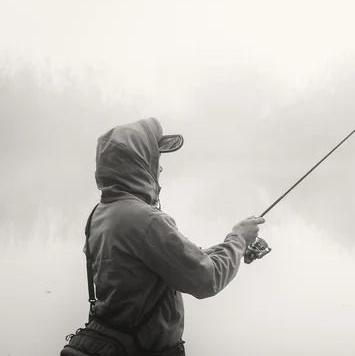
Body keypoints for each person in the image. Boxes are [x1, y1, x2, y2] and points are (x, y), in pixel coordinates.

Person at [86, 117, 264, 355]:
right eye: (154, 158)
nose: (159, 167)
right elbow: (206, 279)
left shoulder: (102, 213)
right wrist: (239, 239)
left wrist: (233, 249)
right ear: (138, 163)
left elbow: (156, 265)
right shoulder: (145, 220)